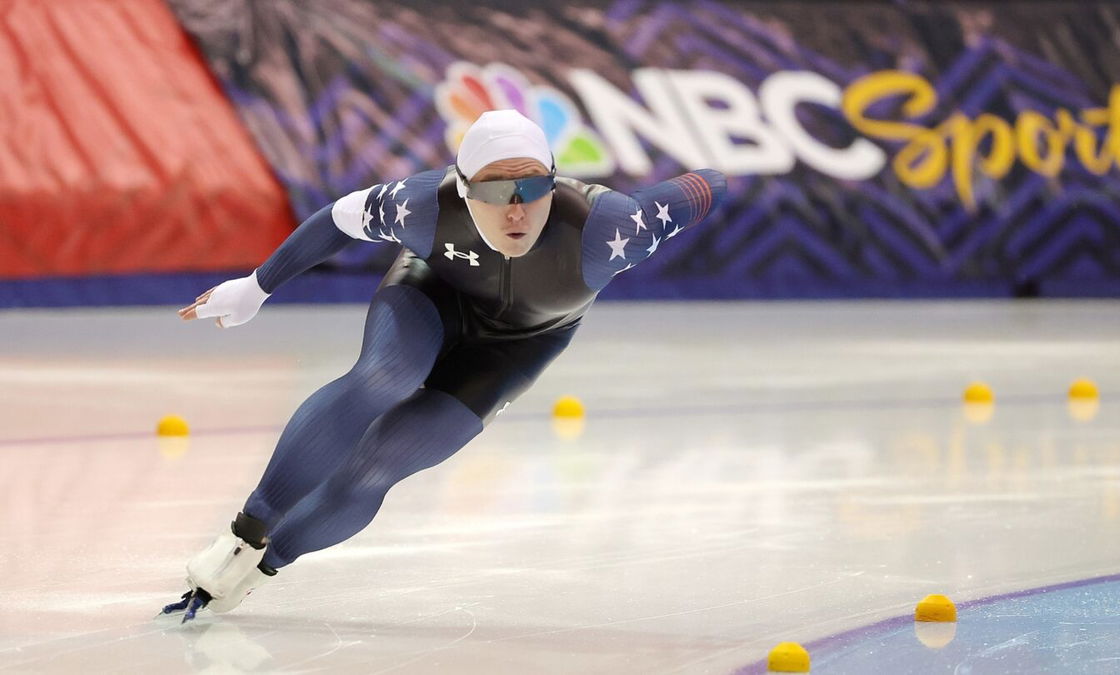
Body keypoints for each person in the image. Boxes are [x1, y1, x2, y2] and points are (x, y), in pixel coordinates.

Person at [163, 110, 726, 622]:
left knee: (378, 465)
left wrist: (712, 168)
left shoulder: (611, 228)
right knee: (385, 377)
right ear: (463, 187)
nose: (516, 207)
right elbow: (336, 220)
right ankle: (245, 534)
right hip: (432, 296)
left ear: (553, 184)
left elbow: (706, 185)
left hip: (519, 346)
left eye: (533, 187)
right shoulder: (425, 205)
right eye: (495, 188)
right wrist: (256, 287)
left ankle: (262, 568)